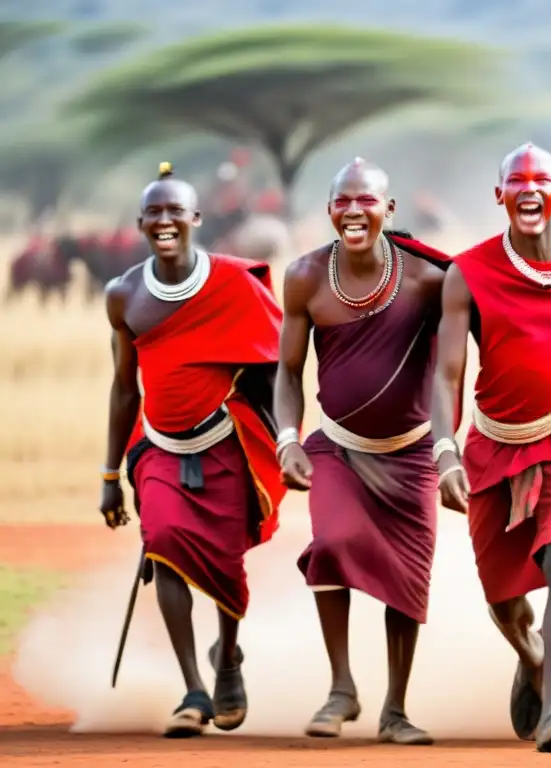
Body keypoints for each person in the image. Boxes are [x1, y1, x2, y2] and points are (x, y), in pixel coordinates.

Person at [431, 143, 551, 754]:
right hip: (493, 446)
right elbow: (447, 374)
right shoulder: (468, 273)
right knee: (505, 602)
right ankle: (530, 653)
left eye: (542, 181)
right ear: (499, 195)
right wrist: (445, 451)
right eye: (517, 181)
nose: (529, 190)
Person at [99, 162, 286, 738]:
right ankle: (193, 691)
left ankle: (227, 658)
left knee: (226, 564)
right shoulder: (123, 294)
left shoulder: (234, 285)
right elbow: (125, 386)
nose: (164, 221)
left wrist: (289, 442)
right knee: (164, 542)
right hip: (157, 447)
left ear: (196, 219)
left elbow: (274, 372)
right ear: (139, 223)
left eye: (175, 211)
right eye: (153, 212)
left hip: (224, 445)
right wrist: (110, 473)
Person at [275, 158, 452, 746]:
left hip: (412, 454)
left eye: (366, 201)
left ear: (389, 210)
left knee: (408, 579)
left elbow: (459, 365)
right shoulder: (304, 277)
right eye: (342, 202)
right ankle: (342, 688)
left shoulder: (431, 280)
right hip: (338, 450)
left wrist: (452, 450)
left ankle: (395, 711)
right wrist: (288, 438)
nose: (354, 211)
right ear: (329, 211)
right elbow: (287, 371)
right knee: (331, 543)